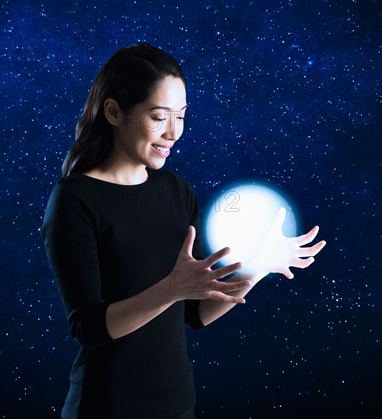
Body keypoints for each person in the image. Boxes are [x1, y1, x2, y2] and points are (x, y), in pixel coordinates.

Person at [41, 42, 325, 418]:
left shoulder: (177, 191)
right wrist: (171, 289)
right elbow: (88, 327)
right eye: (159, 117)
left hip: (176, 405)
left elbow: (193, 313)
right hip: (106, 407)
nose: (174, 132)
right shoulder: (75, 199)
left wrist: (258, 268)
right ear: (113, 111)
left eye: (182, 116)